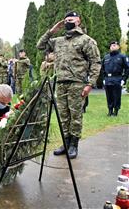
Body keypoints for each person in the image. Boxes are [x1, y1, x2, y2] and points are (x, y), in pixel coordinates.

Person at [37, 11, 101, 159]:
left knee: (75, 115)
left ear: (78, 21)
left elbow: (95, 63)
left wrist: (90, 84)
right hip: (60, 82)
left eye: (71, 19)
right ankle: (65, 143)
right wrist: (53, 30)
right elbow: (40, 45)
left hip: (77, 83)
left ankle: (74, 145)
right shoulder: (58, 41)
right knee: (63, 116)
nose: (67, 22)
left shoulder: (86, 40)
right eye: (65, 20)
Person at [102, 41, 129, 116]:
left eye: (115, 45)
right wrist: (104, 78)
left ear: (118, 47)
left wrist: (124, 79)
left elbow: (127, 68)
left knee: (116, 96)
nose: (113, 46)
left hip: (117, 78)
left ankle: (116, 111)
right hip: (108, 79)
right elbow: (103, 69)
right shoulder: (106, 57)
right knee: (109, 95)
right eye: (111, 45)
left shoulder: (122, 57)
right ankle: (110, 110)